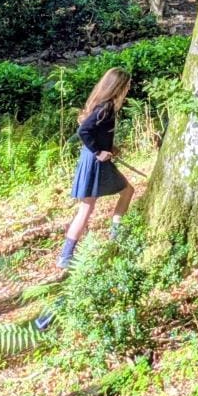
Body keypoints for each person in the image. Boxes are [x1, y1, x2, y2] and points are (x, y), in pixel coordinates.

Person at [57, 67, 134, 269]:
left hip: (91, 159)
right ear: (119, 87)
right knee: (126, 191)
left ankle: (66, 256)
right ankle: (116, 238)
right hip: (95, 162)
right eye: (127, 85)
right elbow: (84, 131)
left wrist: (109, 147)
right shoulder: (106, 107)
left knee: (87, 208)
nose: (129, 88)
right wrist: (99, 152)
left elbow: (94, 132)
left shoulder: (102, 105)